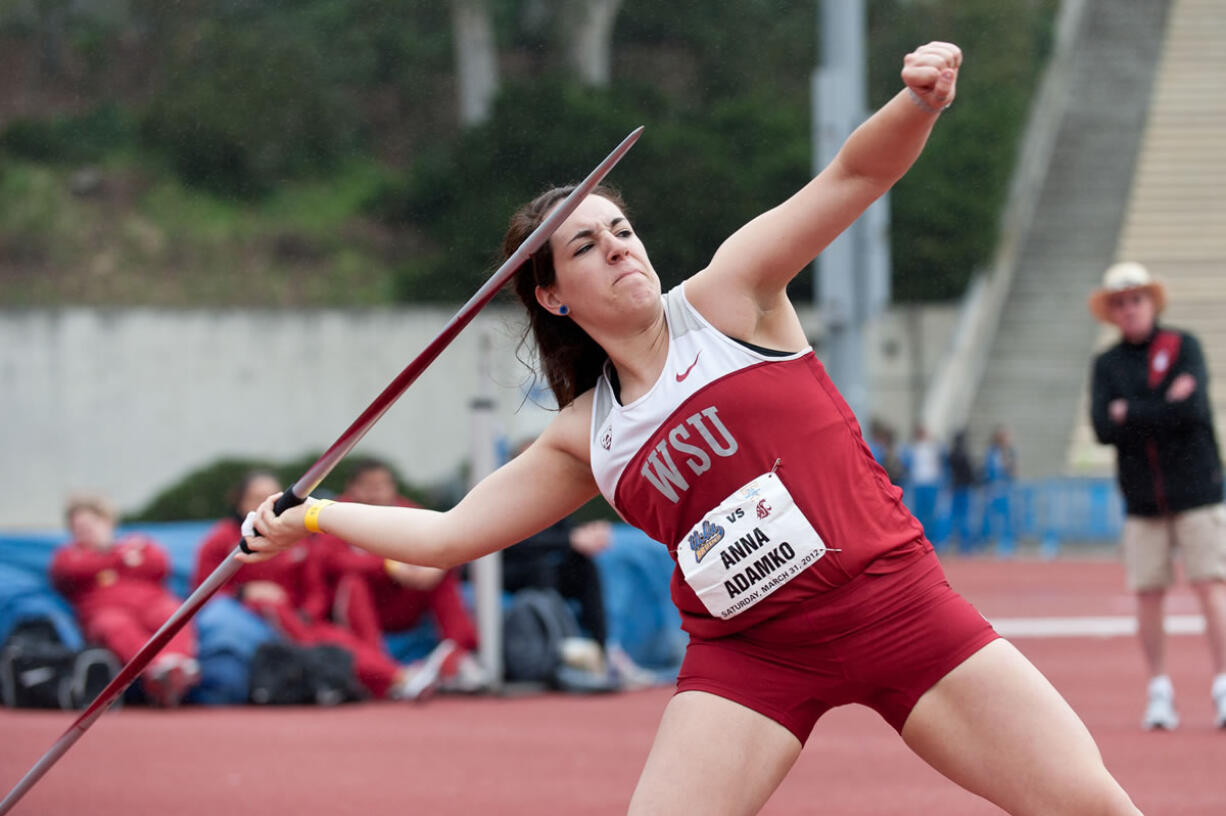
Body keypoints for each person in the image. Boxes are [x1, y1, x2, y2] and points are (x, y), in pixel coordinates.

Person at [243, 43, 1140, 815]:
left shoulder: (730, 298)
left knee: (1089, 805)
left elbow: (856, 175)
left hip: (895, 607)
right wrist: (310, 516)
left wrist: (916, 102)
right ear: (551, 295)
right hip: (752, 657)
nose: (619, 248)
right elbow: (445, 537)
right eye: (586, 247)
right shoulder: (582, 436)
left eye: (622, 229)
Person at [1088, 260, 1226, 731]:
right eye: (1121, 303)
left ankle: (1224, 685)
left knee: (1211, 584)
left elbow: (1191, 411)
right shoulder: (1106, 365)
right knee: (1149, 592)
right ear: (1112, 312)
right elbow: (1104, 428)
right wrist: (1162, 405)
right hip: (1142, 497)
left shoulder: (1183, 346)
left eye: (1137, 300)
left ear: (1152, 303)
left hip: (1197, 489)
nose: (1130, 309)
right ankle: (1159, 690)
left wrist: (1134, 412)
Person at [194, 471, 433, 701]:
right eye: (254, 499)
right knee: (275, 606)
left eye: (267, 499)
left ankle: (395, 677)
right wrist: (244, 592)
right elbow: (204, 592)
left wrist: (308, 613)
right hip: (255, 618)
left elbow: (315, 589)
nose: (261, 507)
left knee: (337, 636)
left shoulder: (294, 535)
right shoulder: (221, 539)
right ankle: (398, 678)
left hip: (302, 620)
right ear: (239, 503)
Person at [305, 458, 489, 694]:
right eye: (369, 486)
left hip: (406, 602)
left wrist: (437, 567)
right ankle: (384, 672)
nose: (377, 493)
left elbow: (443, 540)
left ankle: (459, 657)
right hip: (361, 612)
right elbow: (332, 561)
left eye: (382, 485)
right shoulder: (334, 514)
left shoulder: (408, 510)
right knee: (353, 582)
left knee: (442, 575)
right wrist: (389, 566)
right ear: (353, 488)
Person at [50, 493, 199, 706]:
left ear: (107, 522)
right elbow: (70, 571)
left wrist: (113, 558)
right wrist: (118, 559)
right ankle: (159, 670)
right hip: (106, 614)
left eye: (91, 525)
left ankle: (176, 667)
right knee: (114, 625)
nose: (86, 532)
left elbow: (160, 564)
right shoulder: (68, 555)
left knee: (175, 612)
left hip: (152, 605)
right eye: (79, 528)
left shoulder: (138, 544)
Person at [980, 424, 1017, 556]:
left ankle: (1006, 543)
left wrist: (1008, 466)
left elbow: (1013, 471)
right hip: (993, 487)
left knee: (1006, 517)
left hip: (1005, 487)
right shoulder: (991, 451)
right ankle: (989, 541)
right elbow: (987, 469)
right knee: (991, 516)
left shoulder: (1009, 452)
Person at [945, 429, 979, 554]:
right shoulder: (964, 455)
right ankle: (965, 545)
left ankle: (954, 542)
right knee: (965, 517)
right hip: (964, 488)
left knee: (955, 517)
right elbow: (970, 472)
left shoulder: (952, 454)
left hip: (955, 487)